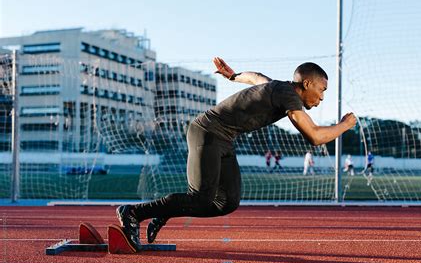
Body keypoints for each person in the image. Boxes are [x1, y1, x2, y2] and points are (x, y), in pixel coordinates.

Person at [116, 57, 357, 250]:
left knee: (227, 202)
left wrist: (232, 76)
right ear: (306, 84)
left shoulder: (278, 88)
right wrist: (345, 124)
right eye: (322, 89)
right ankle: (134, 212)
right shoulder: (287, 95)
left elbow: (255, 77)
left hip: (224, 139)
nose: (323, 96)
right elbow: (314, 136)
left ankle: (165, 210)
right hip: (206, 132)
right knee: (200, 197)